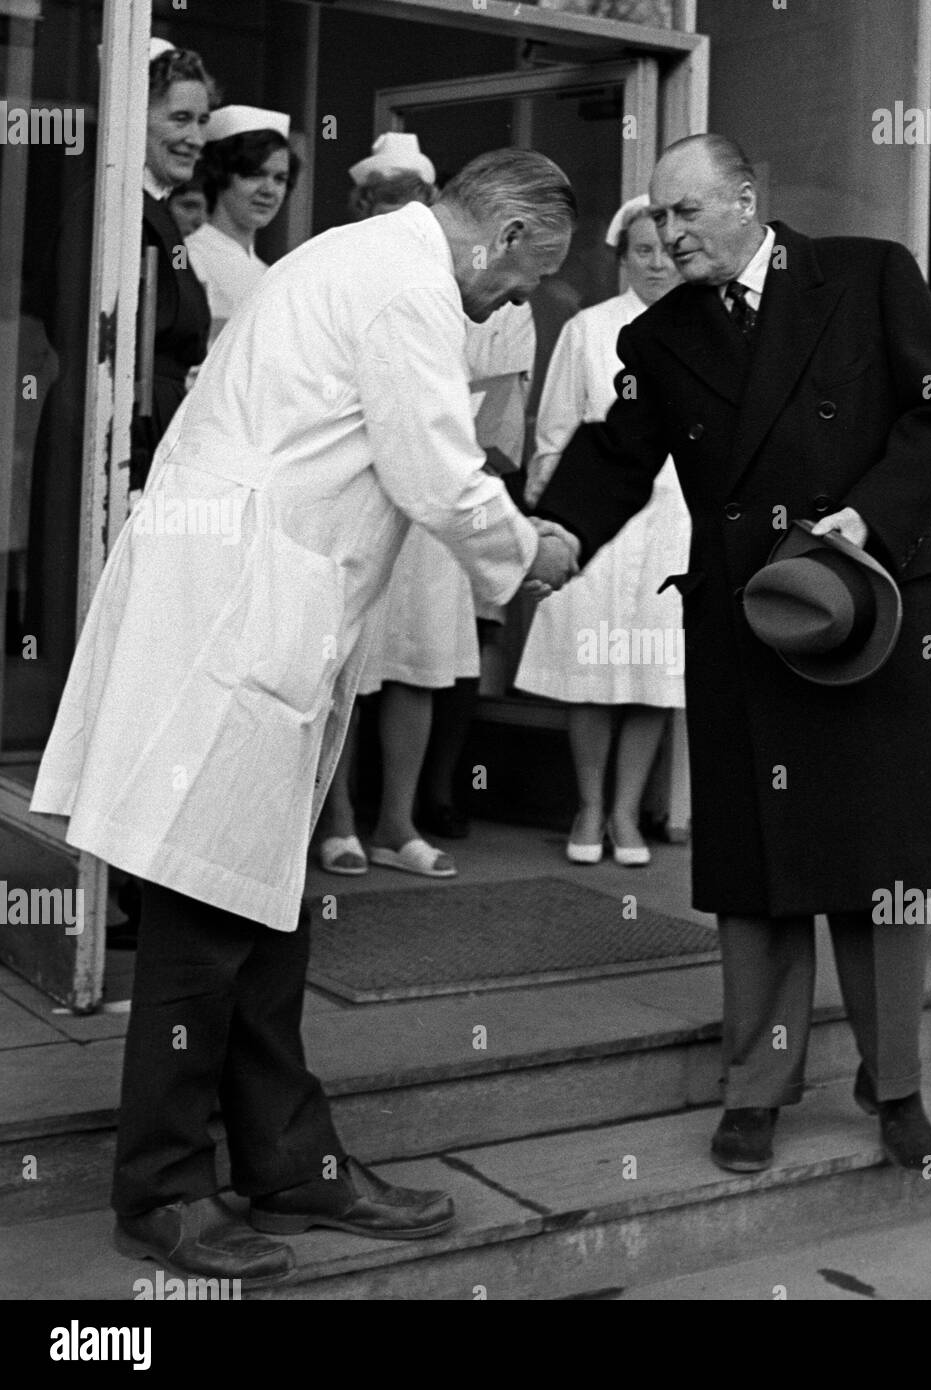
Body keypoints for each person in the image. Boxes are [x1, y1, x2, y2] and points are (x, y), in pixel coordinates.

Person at [30, 149, 579, 1286]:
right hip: (235, 613)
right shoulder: (408, 284)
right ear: (507, 232)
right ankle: (165, 1191)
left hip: (251, 599)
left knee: (263, 903)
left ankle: (289, 1159)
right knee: (200, 914)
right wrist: (530, 551)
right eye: (522, 282)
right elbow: (434, 471)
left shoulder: (363, 259)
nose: (511, 305)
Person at [535, 134, 931, 1175]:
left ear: (745, 198)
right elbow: (614, 458)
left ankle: (898, 1086)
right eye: (658, 216)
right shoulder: (660, 341)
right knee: (760, 873)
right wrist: (543, 541)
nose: (667, 233)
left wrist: (865, 523)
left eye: (686, 212)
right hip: (752, 623)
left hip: (870, 614)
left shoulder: (870, 272)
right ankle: (755, 1089)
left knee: (887, 870)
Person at [29, 37, 214, 947]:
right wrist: (130, 471)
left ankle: (136, 885)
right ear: (131, 117)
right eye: (178, 118)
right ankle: (103, 892)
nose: (193, 137)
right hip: (113, 465)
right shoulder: (106, 217)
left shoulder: (155, 220)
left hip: (153, 467)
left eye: (200, 123)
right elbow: (100, 350)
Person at [315, 135, 537, 877]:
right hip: (383, 498)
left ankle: (397, 822)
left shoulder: (498, 295)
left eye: (412, 188)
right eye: (385, 192)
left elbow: (498, 421)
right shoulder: (381, 279)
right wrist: (535, 554)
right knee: (350, 659)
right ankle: (336, 819)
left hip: (446, 508)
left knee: (418, 660)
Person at [517, 194, 688, 867]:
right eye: (641, 251)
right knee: (592, 666)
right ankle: (589, 804)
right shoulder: (589, 329)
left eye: (666, 250)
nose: (655, 263)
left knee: (653, 671)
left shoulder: (707, 327)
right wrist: (554, 520)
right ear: (623, 258)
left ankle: (626, 811)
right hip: (598, 517)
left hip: (677, 520)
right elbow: (557, 431)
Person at [186, 105, 297, 348]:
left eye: (280, 179)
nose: (269, 190)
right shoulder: (193, 258)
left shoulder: (268, 271)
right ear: (220, 175)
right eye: (254, 174)